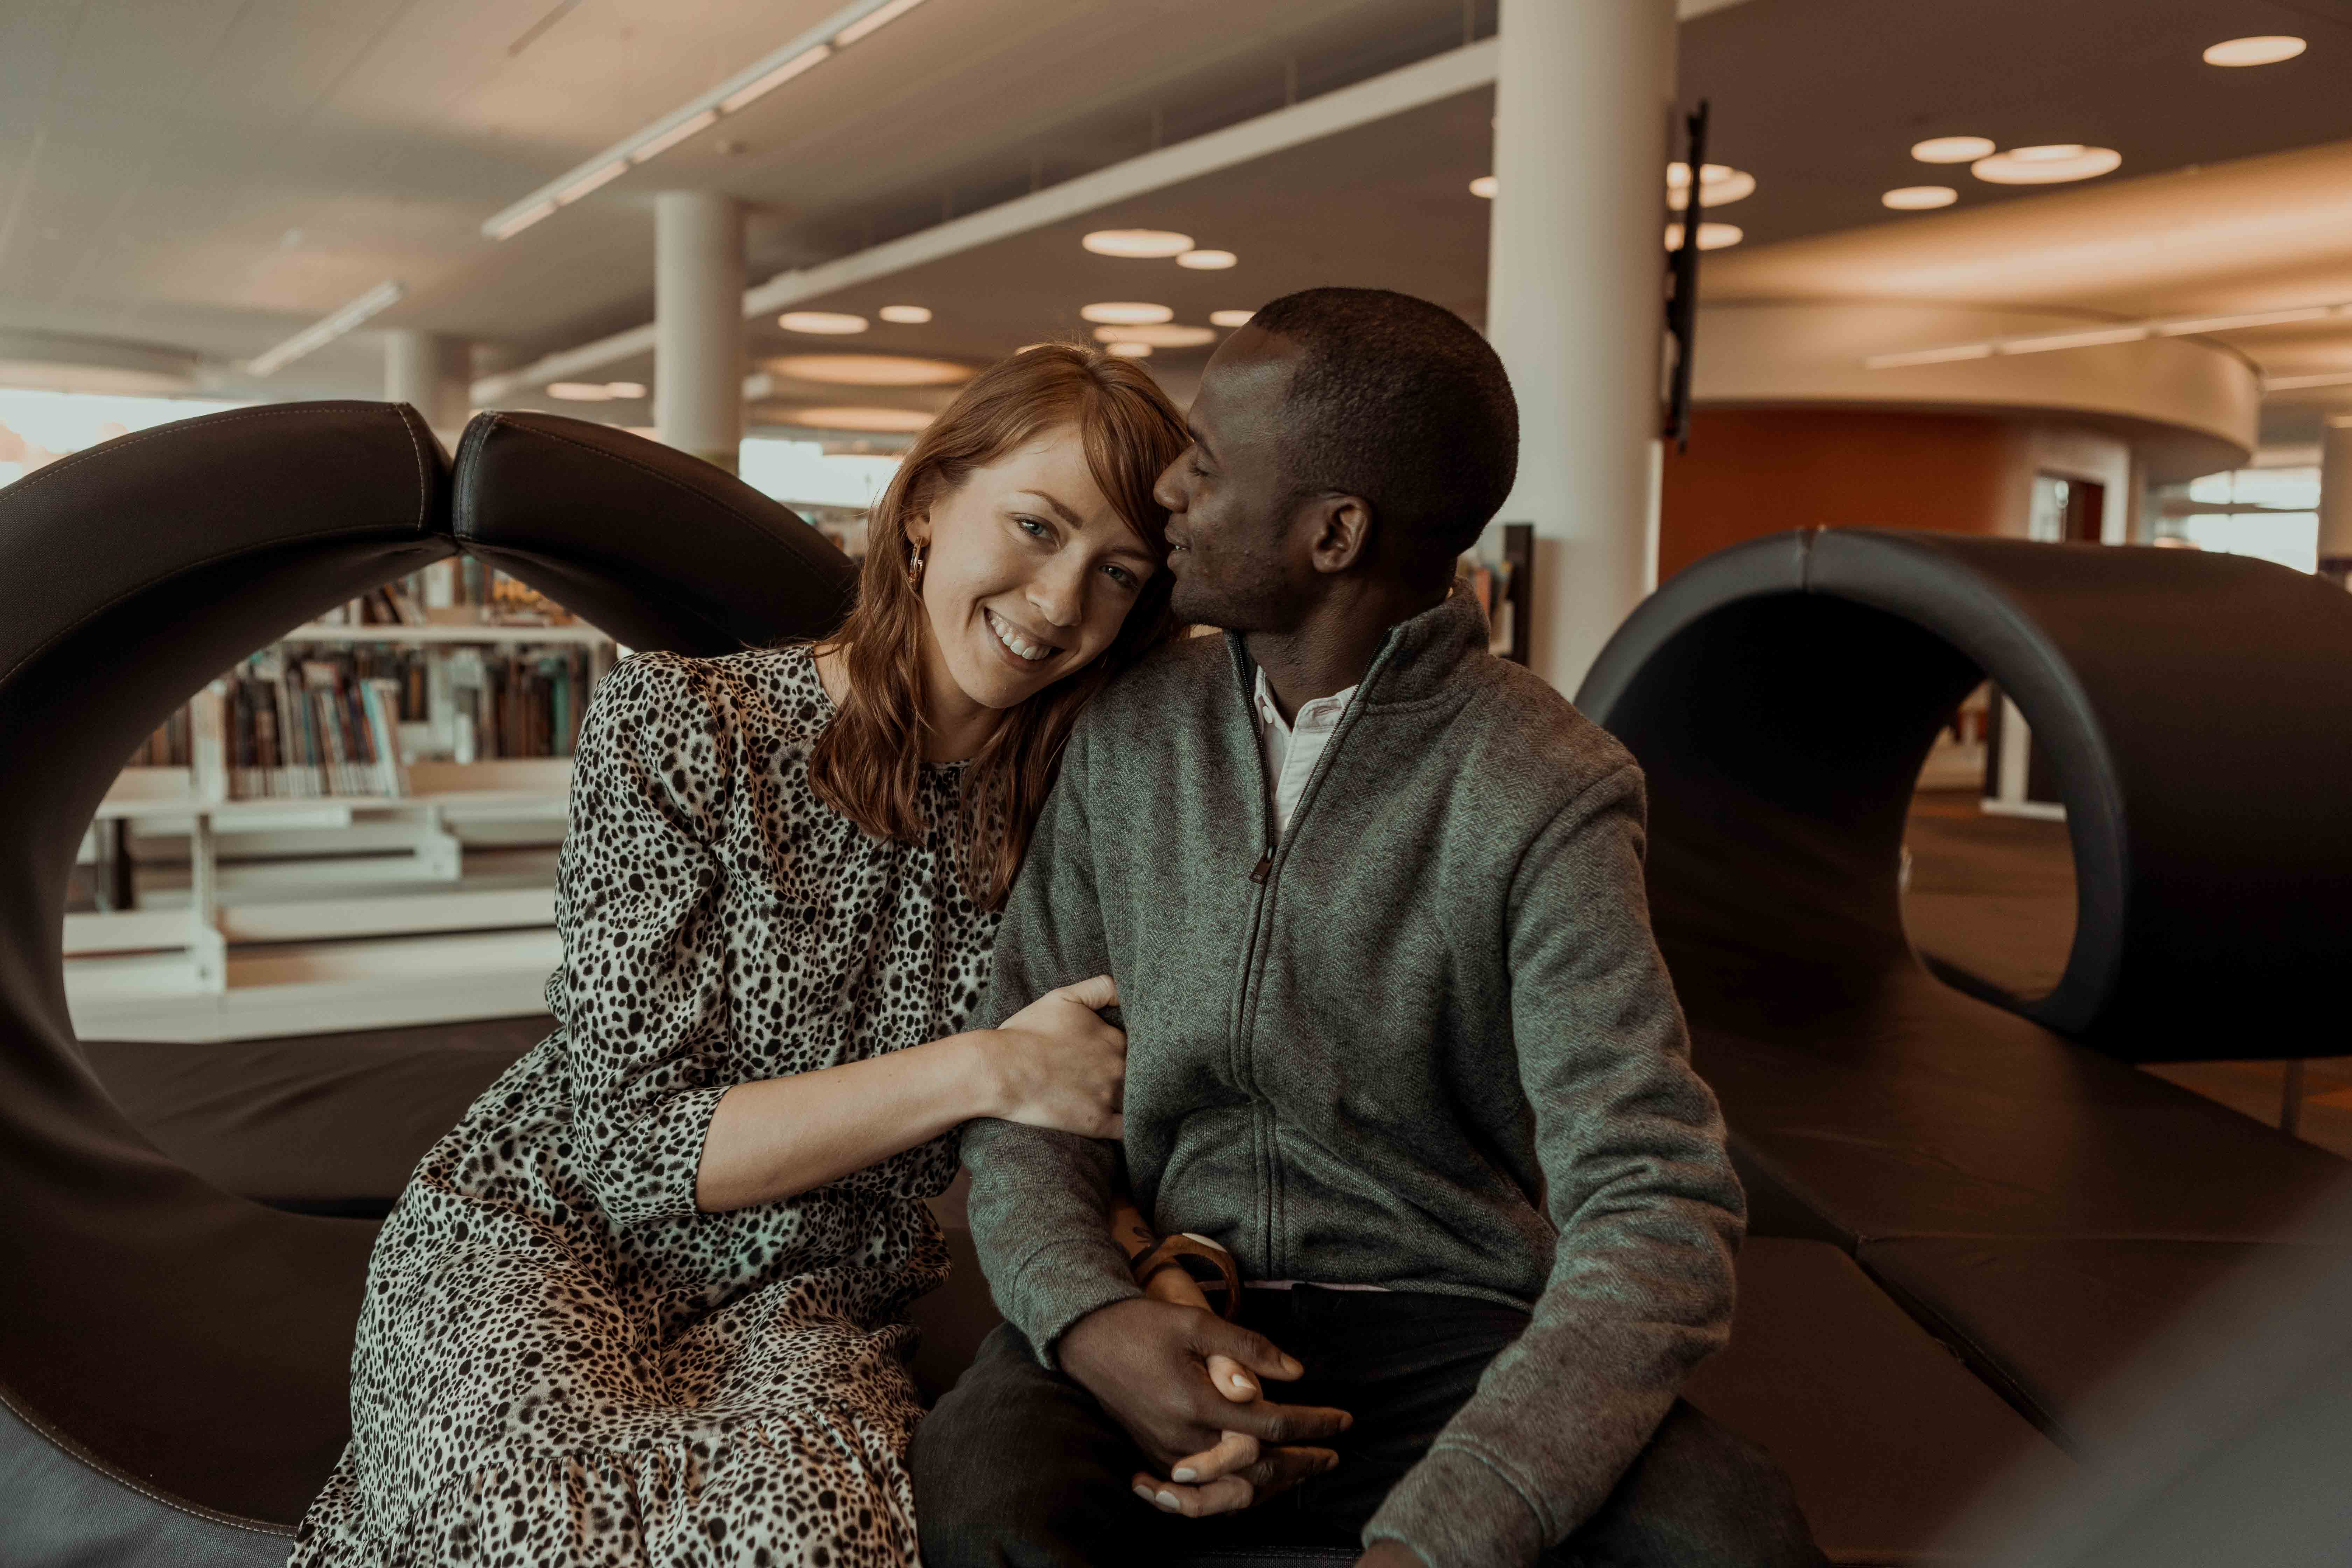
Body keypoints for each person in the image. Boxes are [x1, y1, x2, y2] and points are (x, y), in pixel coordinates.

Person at [913, 288, 1824, 1568]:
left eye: (1210, 465)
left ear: (1335, 532)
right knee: (979, 1496)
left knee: (1729, 1536)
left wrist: (1444, 1537)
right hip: (1169, 1291)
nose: (1168, 488)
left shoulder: (1546, 783)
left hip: (1452, 1324)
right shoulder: (1127, 732)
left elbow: (1656, 1198)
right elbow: (1031, 1098)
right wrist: (1091, 1322)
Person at [288, 343, 1189, 1568]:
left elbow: (1095, 1094)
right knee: (539, 1527)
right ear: (926, 507)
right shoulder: (682, 723)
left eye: (1117, 572)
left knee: (813, 1537)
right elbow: (637, 1148)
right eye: (1035, 526)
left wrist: (1154, 1269)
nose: (1059, 598)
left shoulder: (1079, 812)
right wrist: (984, 1068)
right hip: (548, 1233)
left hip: (816, 1296)